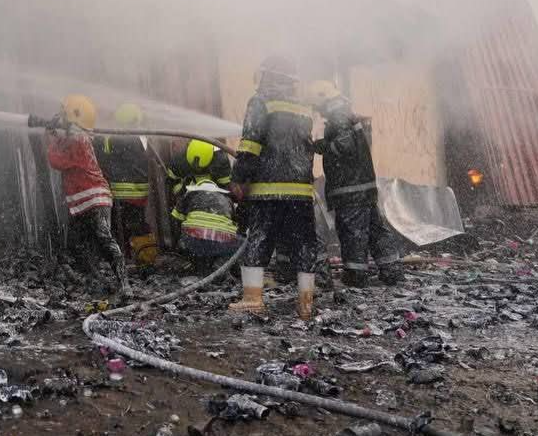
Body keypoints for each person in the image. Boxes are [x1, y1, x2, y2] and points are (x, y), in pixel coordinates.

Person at [228, 56, 318, 319]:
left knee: (260, 239)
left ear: (268, 76)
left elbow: (250, 144)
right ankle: (306, 303)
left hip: (268, 189)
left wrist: (238, 178)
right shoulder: (303, 106)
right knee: (304, 243)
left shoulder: (260, 101)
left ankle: (252, 299)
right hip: (301, 191)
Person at [306, 81, 404, 287]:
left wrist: (322, 146)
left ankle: (356, 275)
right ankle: (391, 270)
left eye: (317, 106)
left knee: (353, 233)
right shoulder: (346, 113)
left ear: (324, 100)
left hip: (350, 190)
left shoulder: (338, 116)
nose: (318, 111)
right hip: (363, 187)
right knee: (375, 231)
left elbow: (346, 146)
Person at [47, 94, 129, 294]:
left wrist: (52, 136)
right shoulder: (74, 137)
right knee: (79, 245)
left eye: (63, 114)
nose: (59, 116)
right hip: (84, 201)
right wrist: (56, 133)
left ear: (72, 117)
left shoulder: (79, 140)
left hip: (94, 199)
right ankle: (100, 281)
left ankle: (124, 284)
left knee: (104, 240)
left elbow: (56, 160)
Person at [171, 140, 241, 276]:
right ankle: (222, 262)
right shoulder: (226, 199)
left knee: (197, 251)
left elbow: (175, 220)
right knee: (239, 243)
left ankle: (198, 263)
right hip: (222, 241)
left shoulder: (189, 194)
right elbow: (236, 223)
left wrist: (179, 245)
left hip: (194, 241)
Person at [96, 103, 153, 258]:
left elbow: (103, 160)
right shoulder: (136, 139)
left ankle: (124, 255)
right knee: (138, 224)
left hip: (122, 192)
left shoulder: (116, 138)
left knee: (119, 227)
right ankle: (147, 256)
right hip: (140, 193)